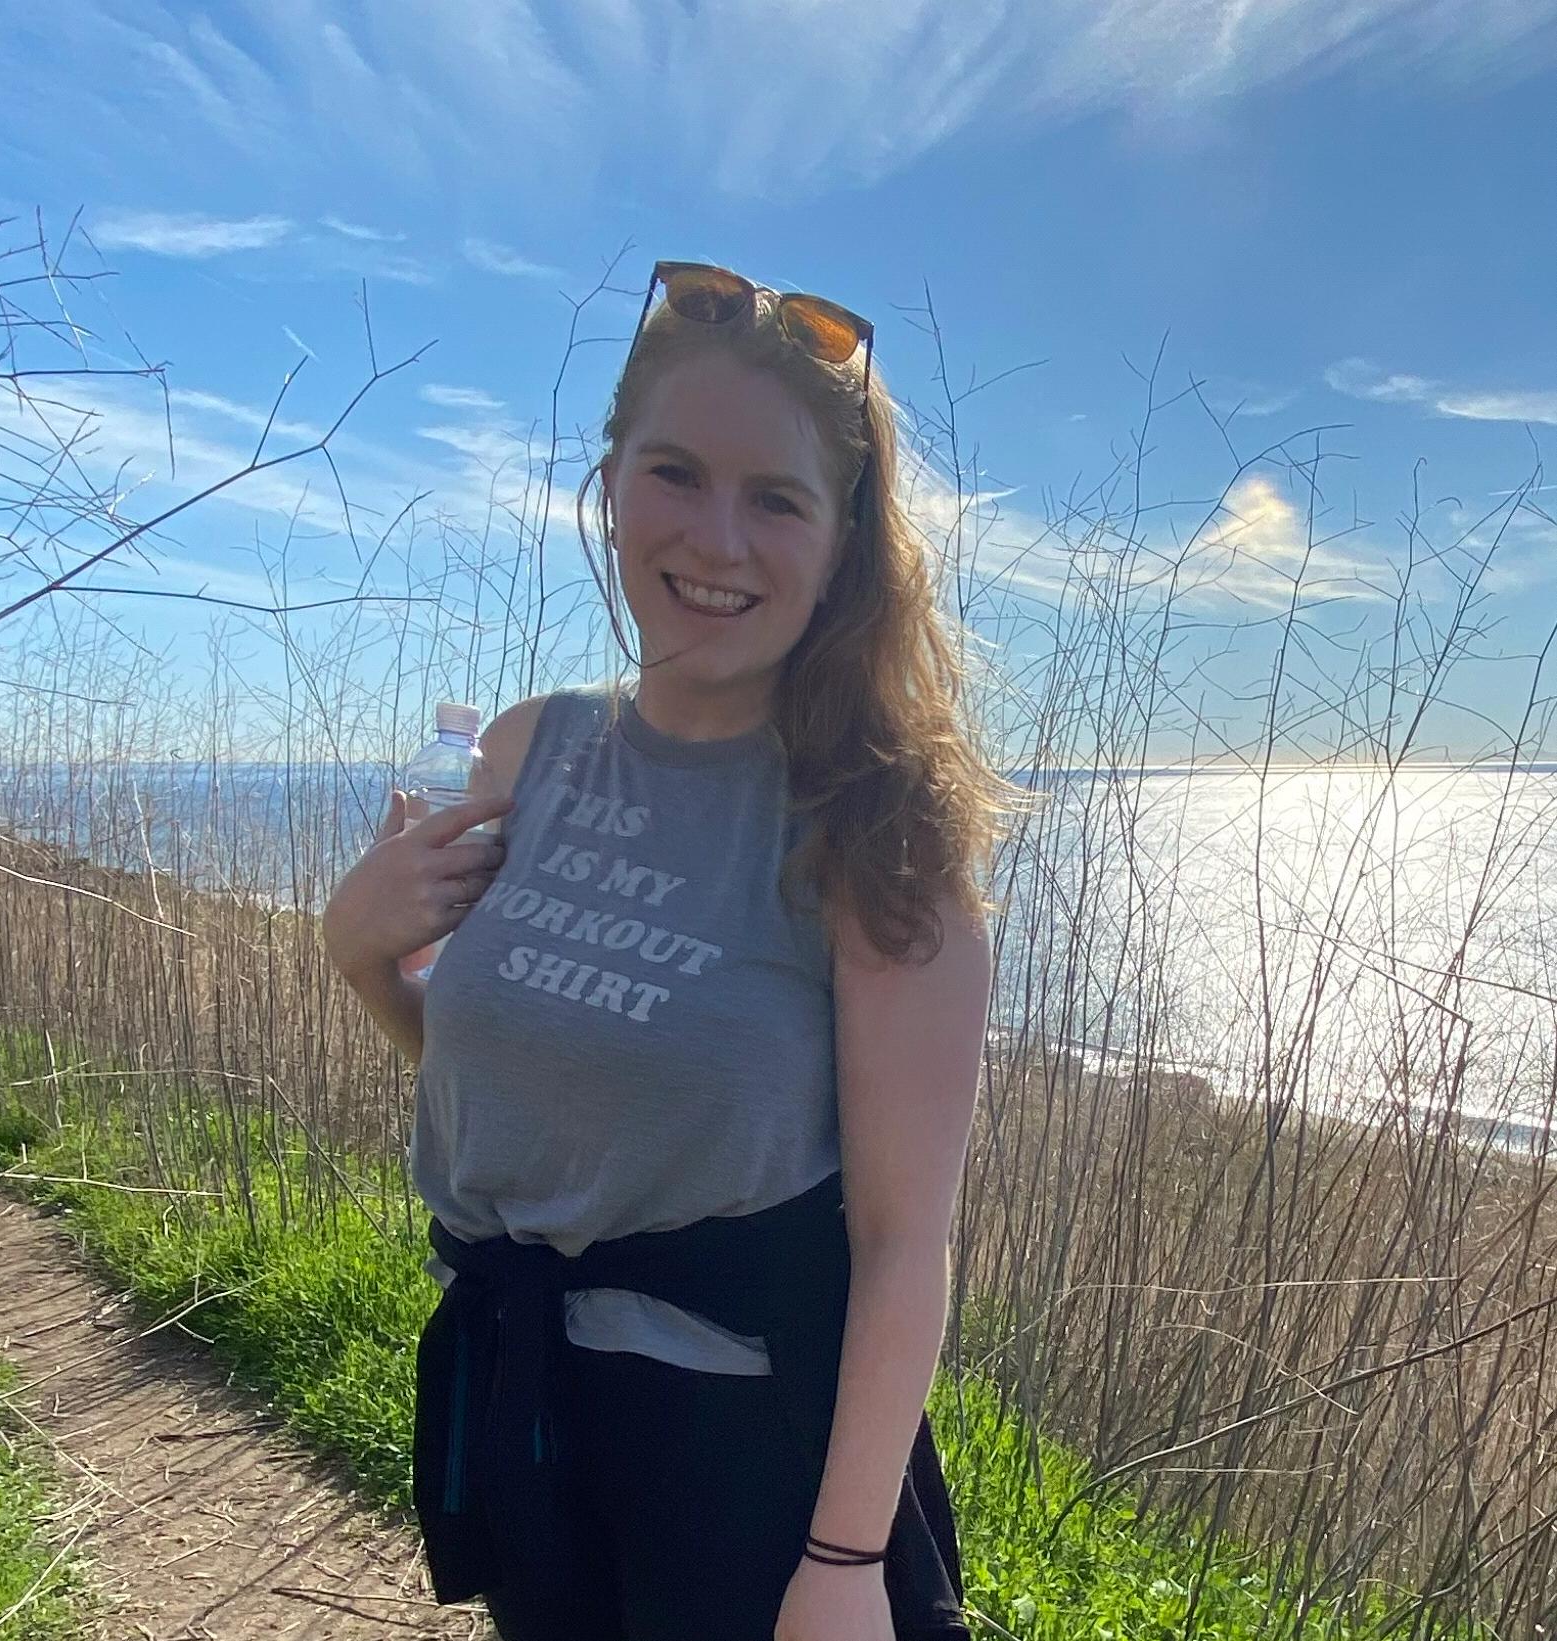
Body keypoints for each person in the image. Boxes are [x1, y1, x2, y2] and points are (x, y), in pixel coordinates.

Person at [323, 259, 1006, 1641]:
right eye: (676, 474)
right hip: (531, 1411)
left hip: (747, 1461)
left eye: (777, 499)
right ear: (612, 483)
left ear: (844, 540)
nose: (716, 538)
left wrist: (842, 1562)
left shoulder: (874, 824)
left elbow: (901, 1244)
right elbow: (511, 1074)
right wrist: (360, 953)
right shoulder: (531, 750)